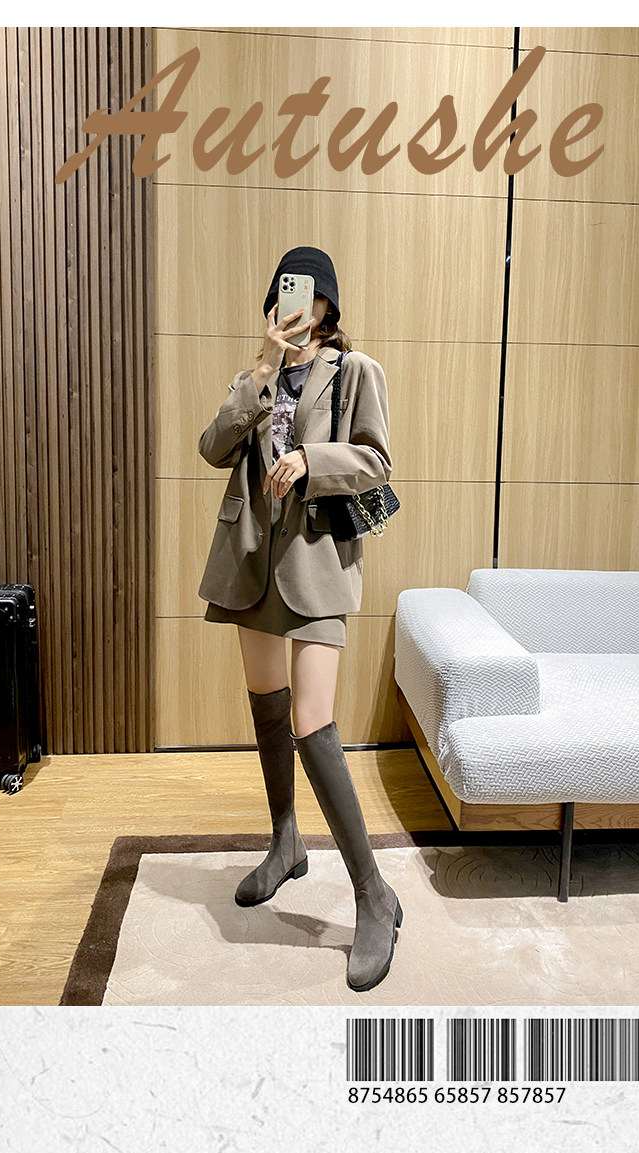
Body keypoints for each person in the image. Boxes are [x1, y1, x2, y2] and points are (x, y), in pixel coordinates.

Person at [197, 246, 403, 992]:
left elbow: (377, 462)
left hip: (315, 565)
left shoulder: (355, 372)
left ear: (327, 305)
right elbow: (213, 447)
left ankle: (372, 894)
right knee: (268, 705)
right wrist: (260, 371)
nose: (297, 304)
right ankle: (285, 842)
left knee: (315, 722)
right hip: (250, 557)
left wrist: (313, 460)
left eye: (310, 293)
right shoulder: (254, 376)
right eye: (286, 292)